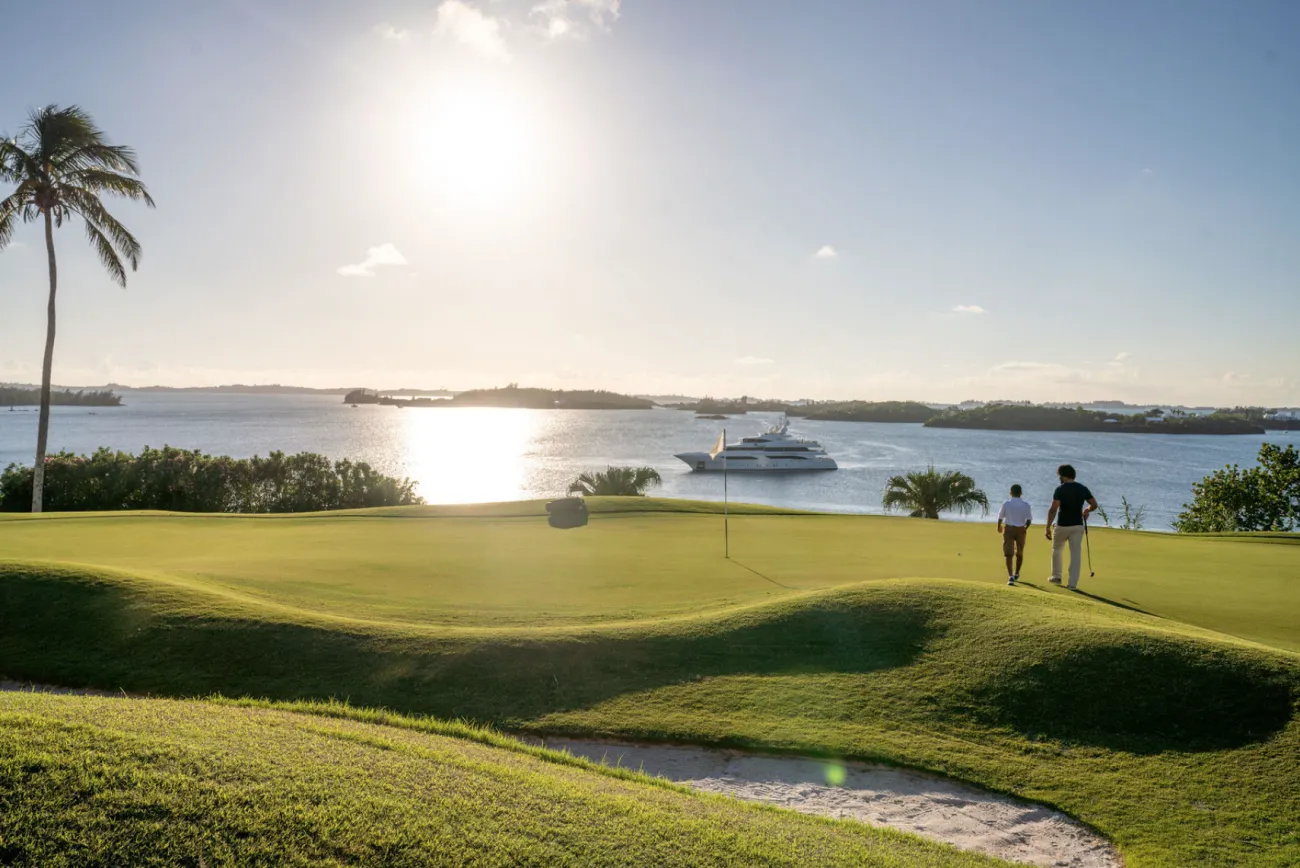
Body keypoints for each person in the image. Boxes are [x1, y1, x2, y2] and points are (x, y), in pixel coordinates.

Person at [1045, 464, 1099, 589]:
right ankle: (1072, 583)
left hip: (1062, 525)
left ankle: (1056, 576)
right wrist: (1087, 510)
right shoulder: (1082, 488)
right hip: (1078, 525)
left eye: (1059, 475)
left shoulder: (1060, 489)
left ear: (1064, 476)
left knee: (1057, 550)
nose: (1059, 478)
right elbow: (1094, 504)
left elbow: (1053, 509)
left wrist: (1047, 526)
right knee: (1075, 553)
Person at [996, 484, 1033, 585]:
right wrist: (1025, 528)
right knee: (1019, 553)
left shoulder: (1007, 504)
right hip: (1021, 529)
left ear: (1010, 493)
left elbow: (1000, 517)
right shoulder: (1026, 505)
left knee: (1008, 553)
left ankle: (1010, 576)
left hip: (1009, 529)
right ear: (1021, 493)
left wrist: (998, 527)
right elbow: (1029, 520)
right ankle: (1016, 573)